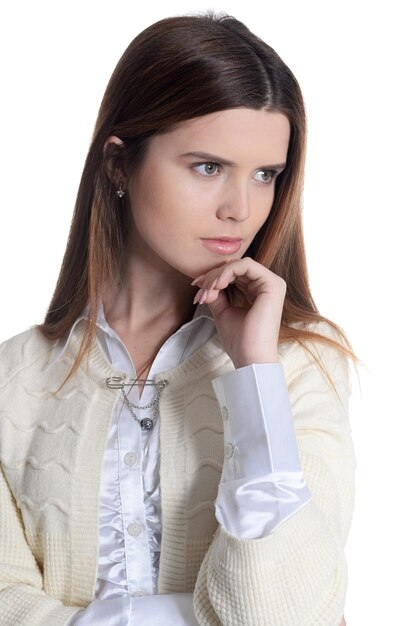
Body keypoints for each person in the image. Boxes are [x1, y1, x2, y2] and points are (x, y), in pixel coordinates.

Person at [0, 10, 359, 626]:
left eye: (265, 175)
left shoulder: (301, 363)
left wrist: (254, 375)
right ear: (118, 164)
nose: (241, 209)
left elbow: (290, 615)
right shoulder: (13, 378)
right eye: (208, 167)